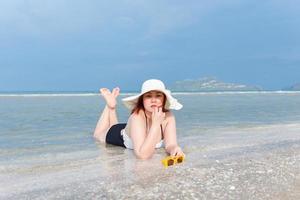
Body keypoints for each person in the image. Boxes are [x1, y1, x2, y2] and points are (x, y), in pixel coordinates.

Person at [93, 79, 184, 159]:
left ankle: (112, 109)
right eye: (148, 96)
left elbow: (170, 144)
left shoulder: (168, 117)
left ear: (164, 99)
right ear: (142, 100)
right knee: (97, 135)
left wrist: (174, 149)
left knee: (119, 126)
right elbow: (142, 155)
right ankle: (110, 106)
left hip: (133, 129)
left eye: (158, 96)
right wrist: (156, 124)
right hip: (116, 134)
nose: (153, 100)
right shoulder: (136, 117)